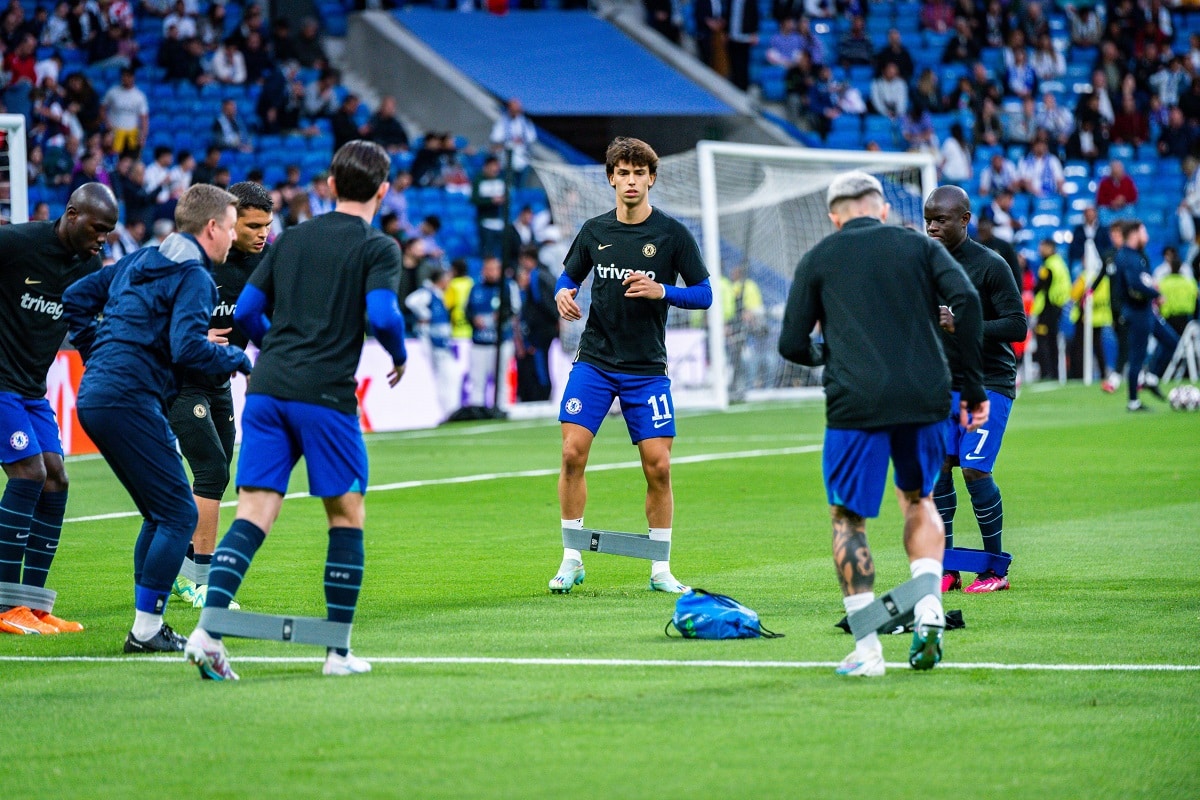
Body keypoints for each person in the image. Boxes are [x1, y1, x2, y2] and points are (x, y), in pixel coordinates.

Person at [184, 141, 409, 680]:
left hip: (266, 389)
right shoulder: (378, 246)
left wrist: (278, 349)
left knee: (254, 512)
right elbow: (383, 315)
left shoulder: (292, 238)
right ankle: (337, 653)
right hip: (325, 395)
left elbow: (246, 311)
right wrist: (399, 355)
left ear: (331, 185)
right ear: (382, 191)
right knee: (345, 514)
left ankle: (207, 632)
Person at [778, 170, 988, 677]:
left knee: (849, 520)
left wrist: (830, 352)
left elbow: (791, 344)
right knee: (919, 500)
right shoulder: (920, 246)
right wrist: (973, 387)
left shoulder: (818, 258)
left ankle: (868, 651)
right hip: (925, 396)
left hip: (856, 402)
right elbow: (967, 301)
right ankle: (930, 605)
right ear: (883, 209)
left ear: (834, 217)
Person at [62, 184, 251, 653]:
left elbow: (75, 298)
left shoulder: (141, 259)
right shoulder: (195, 276)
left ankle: (146, 621)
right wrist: (239, 360)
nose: (233, 237)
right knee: (180, 513)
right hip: (129, 398)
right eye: (231, 227)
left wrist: (96, 355)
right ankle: (146, 629)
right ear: (212, 228)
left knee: (158, 512)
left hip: (99, 396)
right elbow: (188, 348)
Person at [550, 137, 712, 595]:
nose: (631, 181)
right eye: (623, 173)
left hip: (646, 369)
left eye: (639, 173)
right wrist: (562, 292)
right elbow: (568, 276)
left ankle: (660, 569)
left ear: (651, 178)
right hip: (595, 361)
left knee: (658, 466)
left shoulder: (672, 235)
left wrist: (663, 290)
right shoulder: (594, 231)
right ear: (611, 179)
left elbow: (704, 293)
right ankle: (572, 558)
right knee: (571, 453)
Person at [0, 184, 118, 635]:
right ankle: (4, 604)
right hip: (1, 384)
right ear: (71, 214)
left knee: (56, 478)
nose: (102, 239)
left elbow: (86, 328)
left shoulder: (87, 266)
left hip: (32, 389)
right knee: (29, 472)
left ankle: (32, 606)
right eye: (97, 228)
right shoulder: (17, 243)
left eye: (109, 231)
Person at [168, 182, 273, 608]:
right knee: (211, 469)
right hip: (179, 381)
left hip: (219, 383)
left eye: (267, 225)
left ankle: (178, 571)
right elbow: (153, 312)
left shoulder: (266, 263)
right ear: (229, 222)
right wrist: (193, 337)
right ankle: (203, 582)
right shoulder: (198, 259)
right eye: (252, 226)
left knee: (218, 473)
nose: (262, 234)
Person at [924, 186, 1026, 594]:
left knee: (974, 468)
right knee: (939, 469)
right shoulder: (924, 264)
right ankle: (947, 569)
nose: (931, 227)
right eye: (928, 219)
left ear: (964, 220)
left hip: (988, 382)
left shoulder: (990, 265)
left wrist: (965, 325)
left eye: (940, 219)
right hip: (941, 384)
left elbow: (1017, 325)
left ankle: (995, 570)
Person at [1117, 222, 1180, 411]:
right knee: (1137, 356)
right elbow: (1134, 284)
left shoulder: (1137, 255)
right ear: (1134, 234)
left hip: (1146, 311)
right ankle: (1133, 402)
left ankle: (1150, 377)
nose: (1147, 236)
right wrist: (1155, 294)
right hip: (1136, 312)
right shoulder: (1127, 256)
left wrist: (1152, 287)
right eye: (1143, 231)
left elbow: (1142, 281)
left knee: (1171, 341)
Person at [467, 256, 521, 410]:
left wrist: (502, 316)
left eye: (494, 269)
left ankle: (502, 408)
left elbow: (515, 309)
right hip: (479, 342)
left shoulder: (508, 286)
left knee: (502, 379)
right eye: (487, 269)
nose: (490, 272)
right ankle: (477, 410)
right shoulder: (475, 288)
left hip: (501, 342)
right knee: (477, 380)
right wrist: (474, 319)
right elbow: (467, 311)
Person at [406, 267, 459, 419]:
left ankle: (449, 409)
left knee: (448, 375)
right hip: (433, 342)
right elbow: (410, 301)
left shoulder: (438, 294)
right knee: (444, 375)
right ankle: (446, 410)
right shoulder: (427, 293)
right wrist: (425, 315)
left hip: (442, 341)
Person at [1031, 238, 1069, 381]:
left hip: (1047, 309)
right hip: (1057, 307)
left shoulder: (1048, 266)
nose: (1040, 250)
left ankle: (1046, 372)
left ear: (1050, 248)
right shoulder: (1060, 263)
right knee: (1052, 340)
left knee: (1043, 340)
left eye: (1043, 247)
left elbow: (1040, 286)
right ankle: (1054, 372)